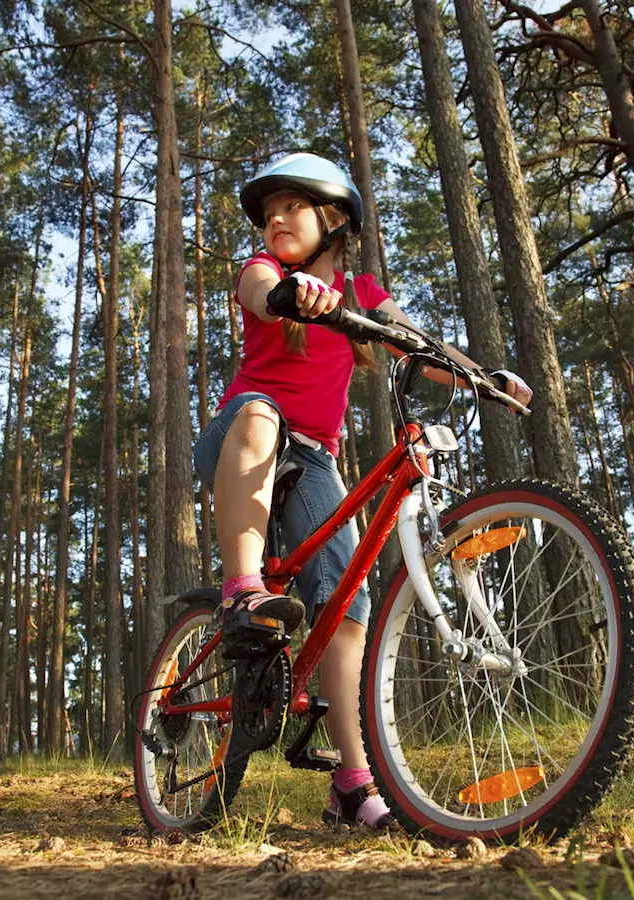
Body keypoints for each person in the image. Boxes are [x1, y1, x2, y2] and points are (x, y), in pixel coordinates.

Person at [192, 152, 533, 830]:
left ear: (334, 218)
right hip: (244, 434)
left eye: (292, 207)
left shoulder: (363, 290)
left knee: (346, 602)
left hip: (312, 458)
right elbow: (261, 291)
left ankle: (351, 784)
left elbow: (417, 343)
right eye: (268, 214)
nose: (276, 221)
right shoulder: (264, 272)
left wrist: (480, 375)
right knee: (262, 412)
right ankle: (242, 589)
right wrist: (292, 295)